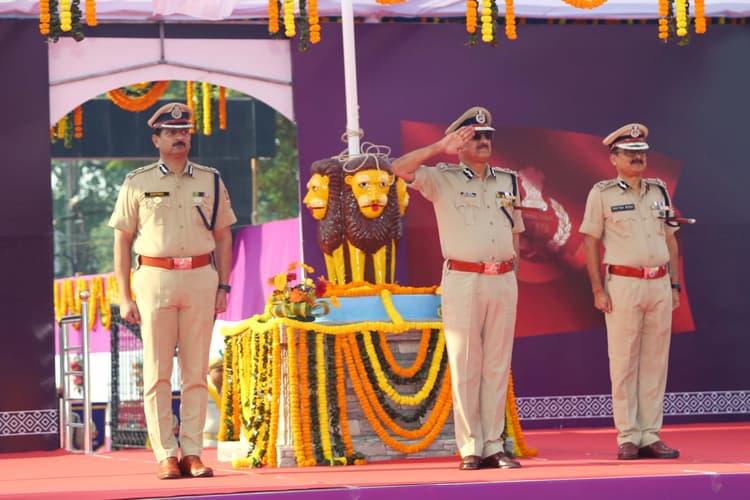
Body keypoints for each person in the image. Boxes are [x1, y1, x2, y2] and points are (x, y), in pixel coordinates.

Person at [109, 102, 237, 479]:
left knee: (196, 372)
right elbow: (122, 240)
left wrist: (223, 285)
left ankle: (192, 453)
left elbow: (223, 236)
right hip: (154, 278)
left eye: (184, 132)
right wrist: (124, 295)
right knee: (157, 373)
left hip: (200, 277)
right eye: (170, 132)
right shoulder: (137, 182)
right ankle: (166, 453)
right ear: (156, 139)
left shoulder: (211, 180)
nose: (179, 137)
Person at [392, 106, 524, 470]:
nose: (483, 141)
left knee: (497, 364)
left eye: (487, 136)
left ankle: (494, 444)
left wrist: (512, 275)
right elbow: (399, 169)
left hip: (503, 278)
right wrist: (439, 147)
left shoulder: (509, 181)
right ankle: (470, 447)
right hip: (464, 278)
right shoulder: (443, 177)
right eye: (474, 137)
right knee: (466, 362)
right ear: (459, 143)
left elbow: (515, 232)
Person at [579, 123, 681, 460]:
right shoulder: (602, 193)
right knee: (624, 361)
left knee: (655, 361)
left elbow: (670, 239)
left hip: (659, 283)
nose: (638, 158)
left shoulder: (659, 190)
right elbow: (590, 242)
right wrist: (597, 288)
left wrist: (675, 284)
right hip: (623, 283)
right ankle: (627, 436)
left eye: (641, 153)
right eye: (630, 153)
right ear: (614, 158)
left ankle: (650, 434)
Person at [203, 355, 224, 447]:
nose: (223, 374)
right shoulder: (202, 390)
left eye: (225, 370)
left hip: (226, 443)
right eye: (219, 370)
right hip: (207, 443)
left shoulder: (230, 392)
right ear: (208, 372)